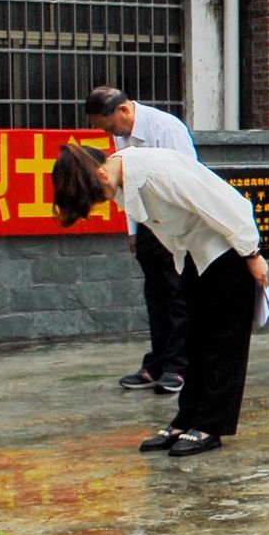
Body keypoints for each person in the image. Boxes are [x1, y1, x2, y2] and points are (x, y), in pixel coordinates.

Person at [52, 140, 266, 460]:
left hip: (227, 252)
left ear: (100, 171)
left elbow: (224, 204)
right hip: (194, 256)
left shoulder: (154, 173)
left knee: (222, 344)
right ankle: (186, 418)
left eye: (98, 194)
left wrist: (251, 253)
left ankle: (210, 425)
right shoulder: (126, 178)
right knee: (194, 342)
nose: (103, 202)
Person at [85, 86, 196, 397]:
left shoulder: (166, 129)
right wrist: (133, 229)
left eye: (108, 127)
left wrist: (181, 234)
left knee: (177, 297)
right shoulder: (122, 134)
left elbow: (189, 179)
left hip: (174, 224)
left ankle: (178, 366)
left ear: (123, 111)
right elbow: (127, 184)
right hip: (147, 222)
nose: (109, 134)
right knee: (156, 296)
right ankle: (156, 363)